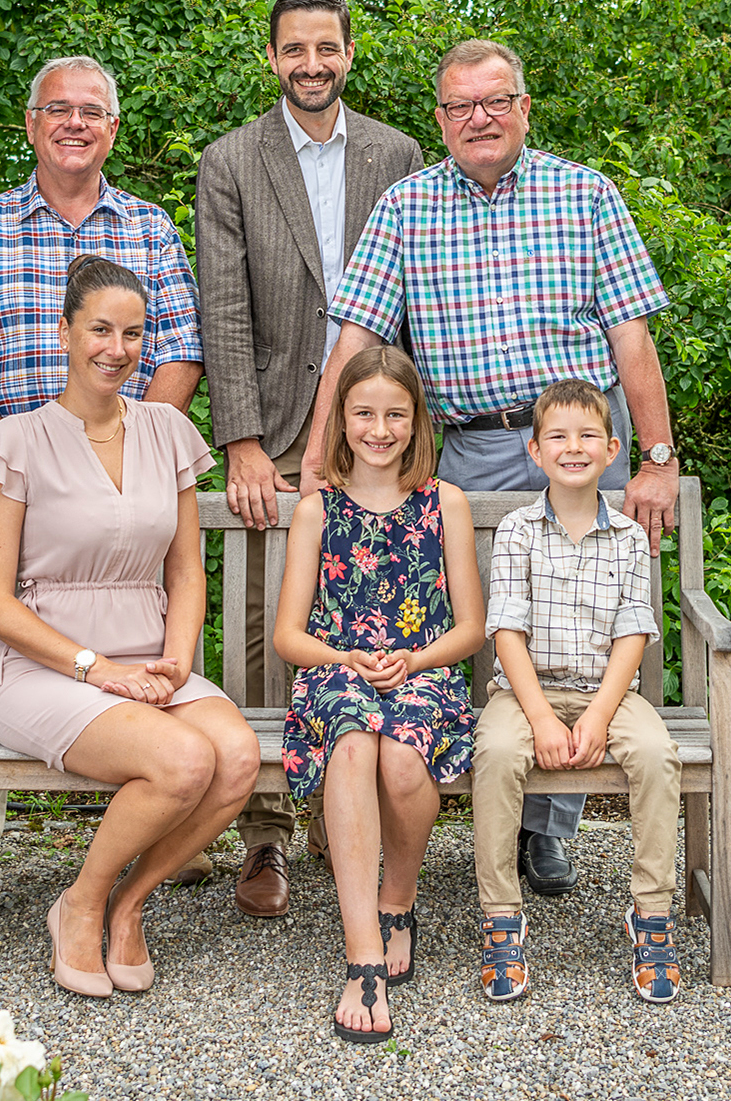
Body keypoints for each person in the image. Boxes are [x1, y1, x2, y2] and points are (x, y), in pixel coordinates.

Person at [300, 37, 681, 898]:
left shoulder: (585, 195)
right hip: (467, 446)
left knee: (574, 628)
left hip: (579, 444)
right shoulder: (405, 207)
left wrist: (654, 459)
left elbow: (631, 339)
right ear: (438, 120)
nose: (478, 118)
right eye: (459, 106)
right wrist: (319, 453)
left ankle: (548, 831)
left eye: (493, 102)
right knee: (483, 626)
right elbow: (355, 339)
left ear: (522, 107)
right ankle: (492, 811)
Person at [0, 54, 205, 894]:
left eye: (92, 112)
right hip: (16, 492)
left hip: (123, 491)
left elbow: (179, 353)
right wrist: (22, 464)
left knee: (138, 638)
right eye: (57, 110)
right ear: (31, 124)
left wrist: (138, 449)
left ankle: (167, 818)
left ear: (113, 129)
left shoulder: (149, 229)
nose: (75, 124)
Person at [0, 254, 259, 998]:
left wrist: (173, 661)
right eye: (99, 329)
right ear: (64, 332)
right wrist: (99, 669)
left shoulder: (167, 430)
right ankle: (79, 904)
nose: (115, 349)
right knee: (184, 762)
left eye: (132, 333)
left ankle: (128, 904)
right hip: (43, 669)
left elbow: (186, 573)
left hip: (149, 655)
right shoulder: (13, 444)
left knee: (236, 758)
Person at [196, 0, 424, 917]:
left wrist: (402, 433)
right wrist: (244, 441)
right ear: (272, 58)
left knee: (375, 614)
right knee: (260, 625)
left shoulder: (398, 153)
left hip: (380, 424)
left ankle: (357, 821)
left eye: (325, 48)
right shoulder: (230, 160)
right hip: (279, 428)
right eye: (294, 50)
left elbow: (416, 296)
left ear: (350, 51)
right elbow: (223, 305)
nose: (312, 65)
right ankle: (265, 839)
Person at [272, 347, 483, 1043]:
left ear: (416, 421)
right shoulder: (316, 510)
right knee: (355, 737)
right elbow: (288, 637)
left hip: (422, 666)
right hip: (336, 668)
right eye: (364, 413)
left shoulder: (443, 504)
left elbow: (472, 628)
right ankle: (362, 955)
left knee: (400, 758)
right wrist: (344, 657)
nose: (379, 429)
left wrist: (413, 658)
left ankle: (399, 898)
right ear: (341, 421)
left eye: (395, 414)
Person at [473, 379, 683, 1005]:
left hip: (607, 694)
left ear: (614, 449)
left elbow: (632, 633)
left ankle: (651, 915)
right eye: (557, 437)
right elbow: (504, 629)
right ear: (533, 451)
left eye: (588, 435)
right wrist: (538, 716)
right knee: (497, 754)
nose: (573, 447)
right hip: (523, 695)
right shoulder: (516, 531)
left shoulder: (627, 538)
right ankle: (502, 919)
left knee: (655, 755)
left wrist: (597, 715)